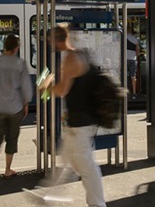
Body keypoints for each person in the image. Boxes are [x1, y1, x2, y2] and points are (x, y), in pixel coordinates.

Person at [39, 23, 106, 207]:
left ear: (56, 39)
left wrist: (46, 85)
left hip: (80, 123)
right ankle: (49, 196)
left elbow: (61, 91)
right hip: (80, 120)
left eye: (51, 40)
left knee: (87, 168)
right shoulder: (81, 53)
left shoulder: (69, 58)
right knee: (67, 158)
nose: (50, 44)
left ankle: (98, 204)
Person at [0, 34, 32, 179]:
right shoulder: (20, 63)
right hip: (15, 107)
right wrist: (25, 104)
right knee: (12, 138)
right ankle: (7, 170)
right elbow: (26, 88)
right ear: (17, 47)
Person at [126, 25, 140, 99]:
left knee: (124, 76)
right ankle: (134, 92)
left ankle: (125, 91)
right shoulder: (135, 39)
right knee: (133, 76)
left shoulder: (123, 37)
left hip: (125, 59)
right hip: (133, 59)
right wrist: (136, 58)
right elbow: (137, 51)